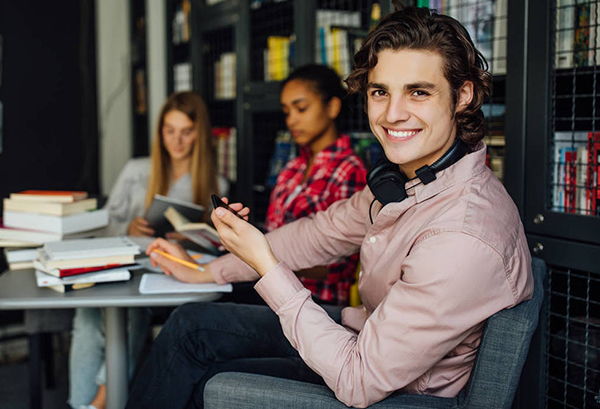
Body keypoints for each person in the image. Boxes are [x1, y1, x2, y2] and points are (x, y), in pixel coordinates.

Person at [126, 6, 533, 409]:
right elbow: (320, 234)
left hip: (386, 391)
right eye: (380, 92)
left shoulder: (461, 237)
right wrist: (205, 272)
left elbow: (359, 381)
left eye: (418, 92)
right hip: (358, 339)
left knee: (204, 381)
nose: (392, 114)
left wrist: (267, 265)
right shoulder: (412, 179)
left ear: (463, 95)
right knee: (189, 326)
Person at [68, 92, 227, 409]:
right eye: (169, 130)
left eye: (186, 131)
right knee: (87, 316)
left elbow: (215, 244)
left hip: (168, 272)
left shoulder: (215, 183)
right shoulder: (137, 170)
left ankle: (99, 402)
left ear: (200, 132)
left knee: (132, 314)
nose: (177, 141)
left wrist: (185, 239)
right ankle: (86, 404)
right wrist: (127, 228)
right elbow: (102, 225)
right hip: (123, 263)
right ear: (159, 131)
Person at [262, 64, 367, 305]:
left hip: (318, 304)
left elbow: (341, 265)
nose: (292, 120)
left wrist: (264, 260)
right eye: (287, 111)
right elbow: (272, 231)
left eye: (301, 108)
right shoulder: (290, 169)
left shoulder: (349, 170)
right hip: (272, 292)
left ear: (332, 107)